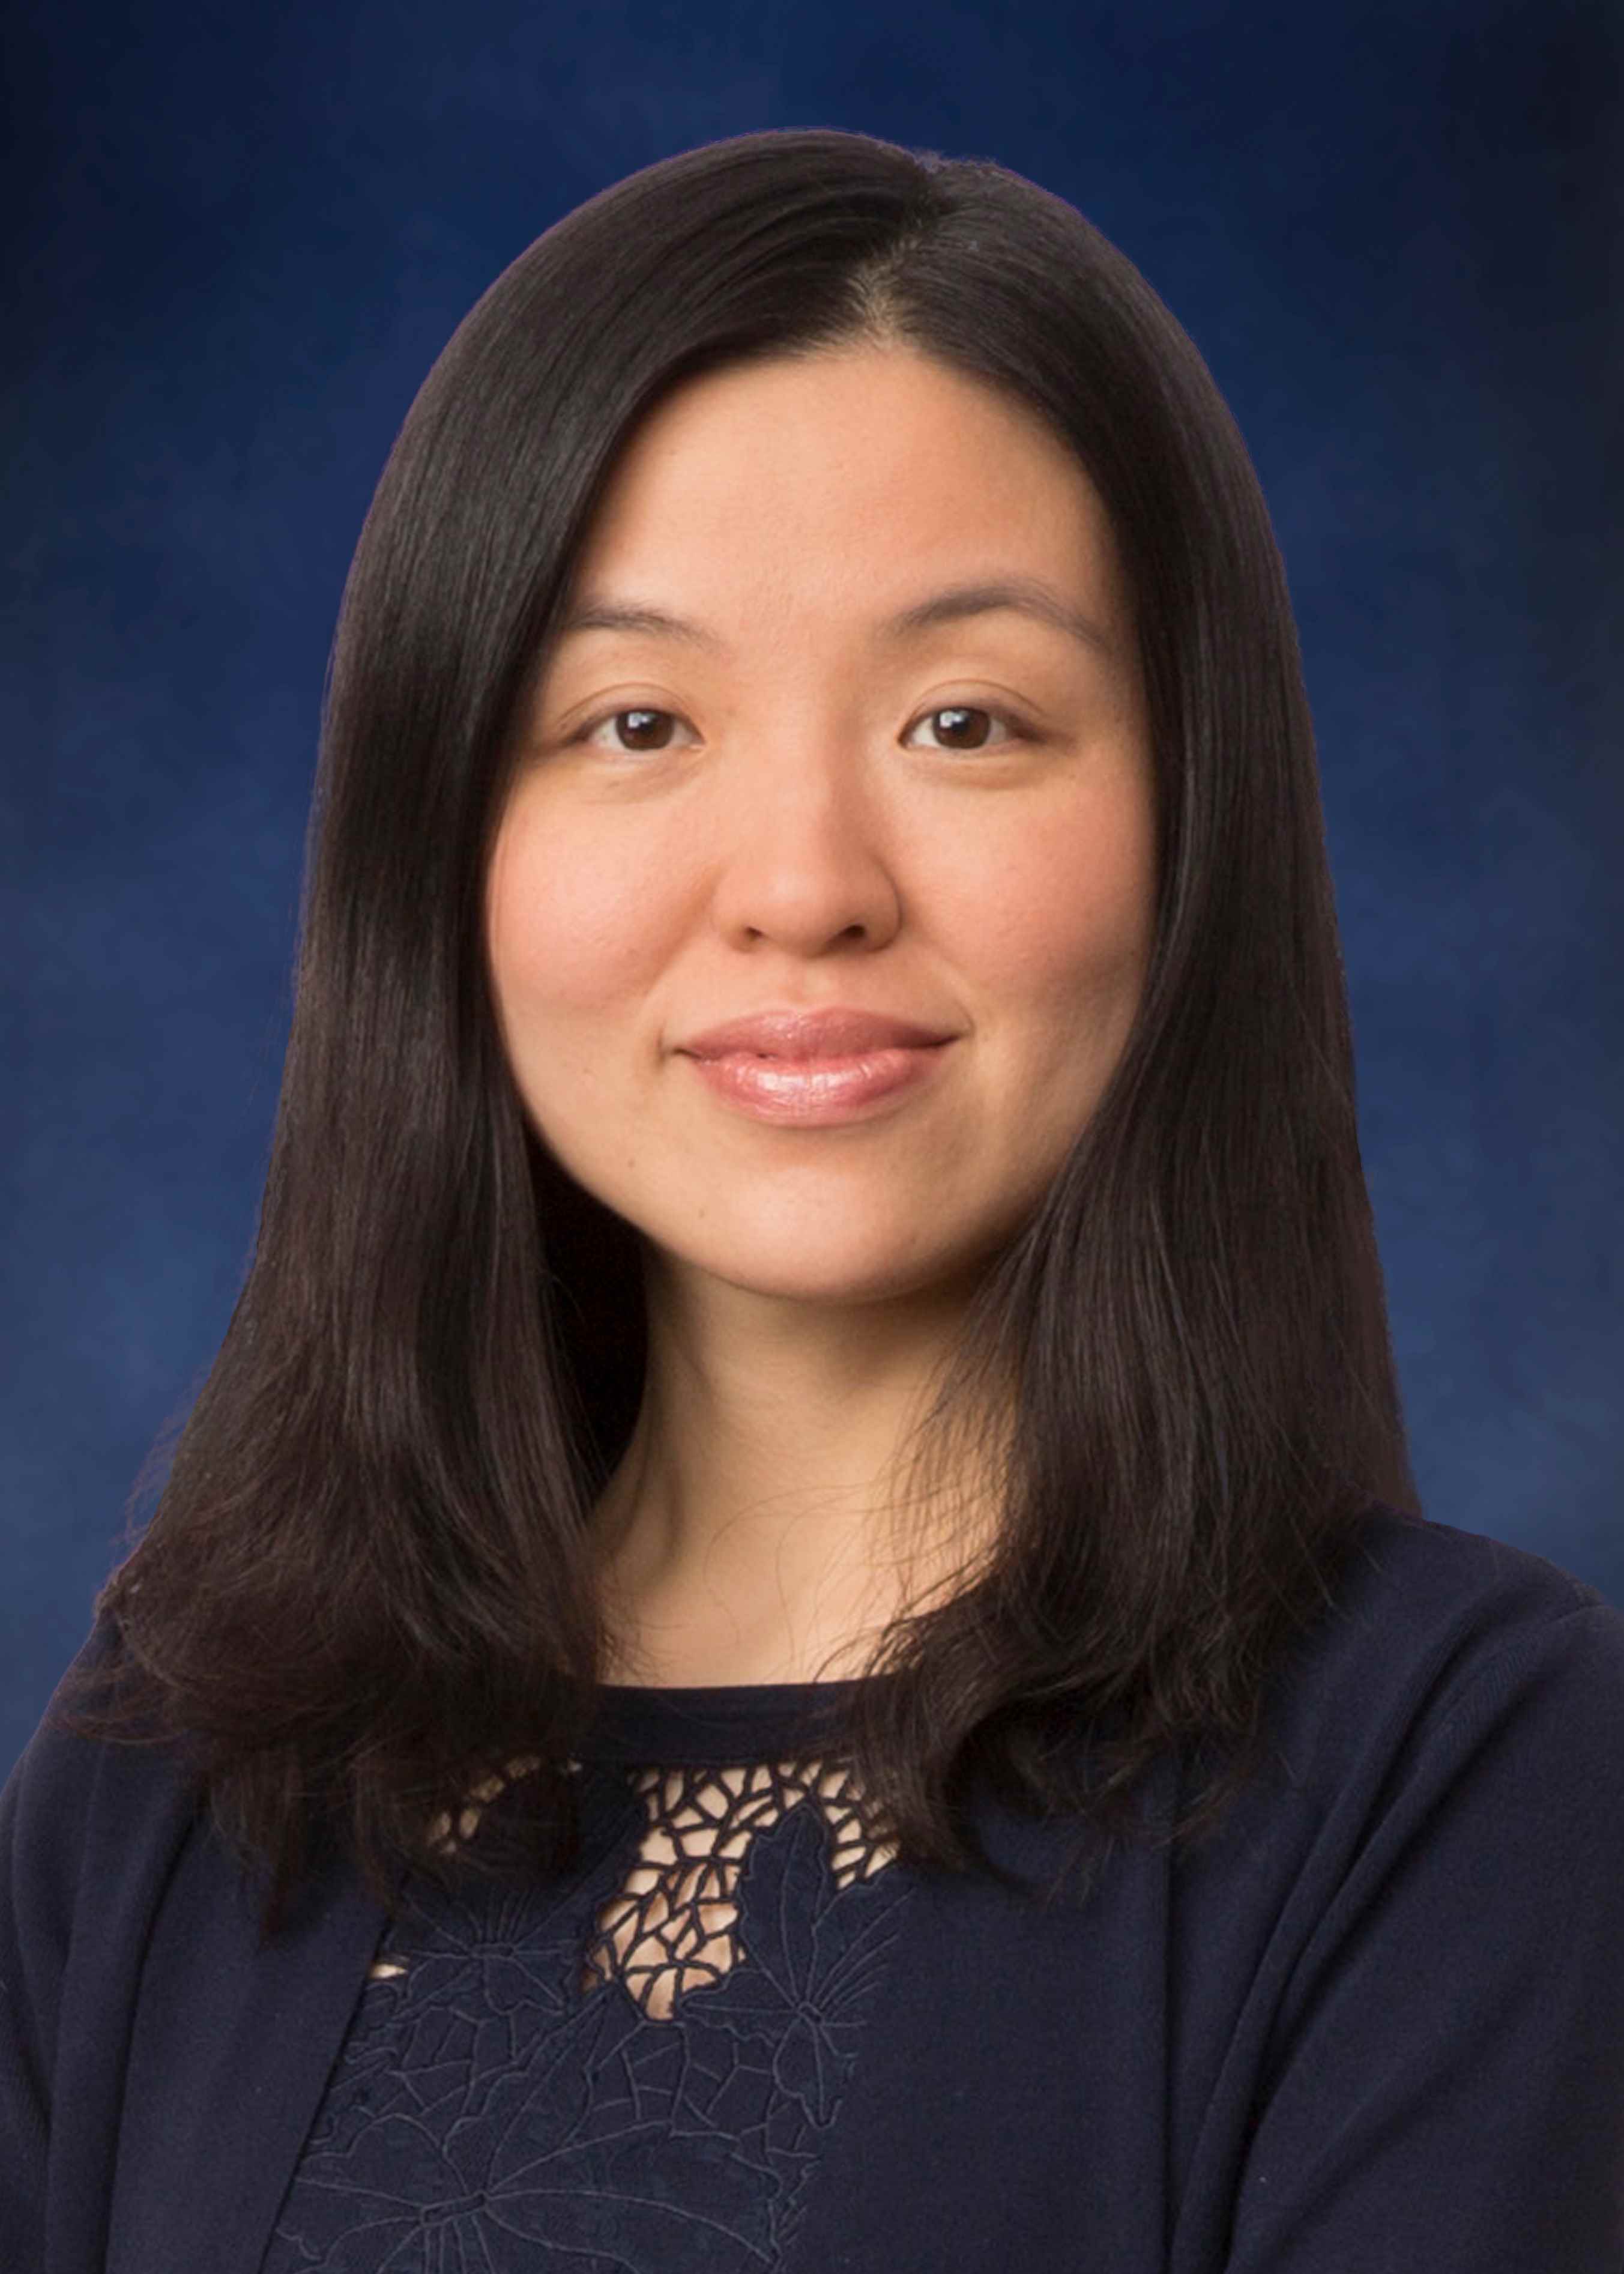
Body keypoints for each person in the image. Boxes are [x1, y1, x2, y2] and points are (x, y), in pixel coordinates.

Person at [3, 125, 1621, 2273]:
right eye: (634, 721)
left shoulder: (1457, 1761)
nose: (801, 886)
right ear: (436, 847)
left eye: (963, 720)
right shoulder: (183, 1762)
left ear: (1190, 828)